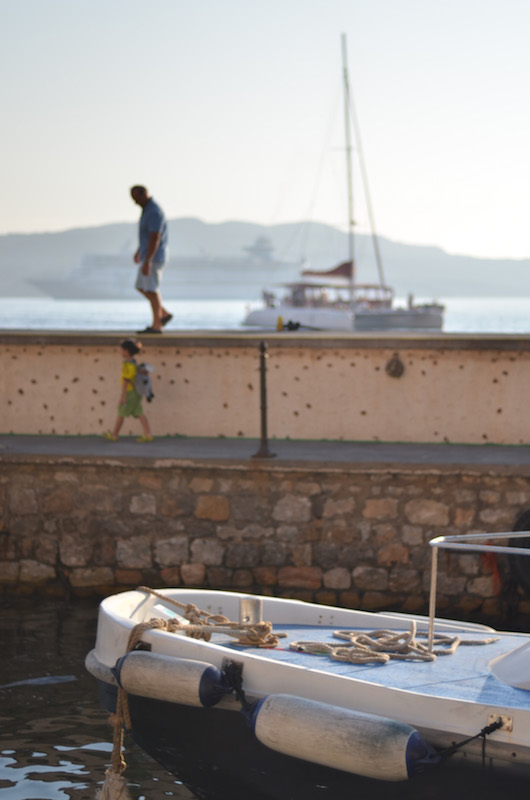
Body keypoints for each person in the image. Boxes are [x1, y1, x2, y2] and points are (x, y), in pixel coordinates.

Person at [130, 185, 173, 334]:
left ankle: (157, 325)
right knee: (141, 286)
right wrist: (139, 251)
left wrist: (148, 260)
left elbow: (155, 236)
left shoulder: (154, 212)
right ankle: (163, 314)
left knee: (152, 289)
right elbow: (147, 236)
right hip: (148, 254)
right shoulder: (147, 210)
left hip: (154, 256)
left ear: (144, 195)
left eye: (136, 199)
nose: (135, 203)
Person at [102, 338, 154, 442]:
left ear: (127, 351)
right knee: (139, 412)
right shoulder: (133, 363)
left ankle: (114, 435)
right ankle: (148, 434)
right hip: (136, 392)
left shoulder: (127, 365)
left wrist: (123, 397)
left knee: (121, 413)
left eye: (122, 350)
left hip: (129, 392)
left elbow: (126, 381)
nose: (121, 352)